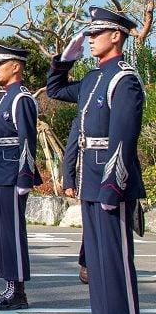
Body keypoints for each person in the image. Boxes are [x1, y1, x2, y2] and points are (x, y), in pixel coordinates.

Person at [47, 6, 143, 314]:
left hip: (108, 182)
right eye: (87, 36)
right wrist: (64, 60)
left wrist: (112, 186)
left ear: (116, 35)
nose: (88, 40)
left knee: (114, 261)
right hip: (91, 179)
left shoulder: (124, 78)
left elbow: (123, 139)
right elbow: (55, 90)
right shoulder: (92, 78)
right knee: (99, 262)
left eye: (94, 35)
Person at [0, 44, 41, 310]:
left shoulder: (21, 98)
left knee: (13, 233)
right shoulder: (2, 98)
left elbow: (28, 141)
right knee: (1, 233)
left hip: (14, 174)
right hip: (0, 175)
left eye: (0, 65)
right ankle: (9, 286)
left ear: (15, 66)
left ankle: (18, 290)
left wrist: (25, 176)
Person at [62, 118, 88, 284]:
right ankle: (86, 264)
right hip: (90, 180)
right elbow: (71, 151)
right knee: (91, 228)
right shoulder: (81, 119)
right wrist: (69, 181)